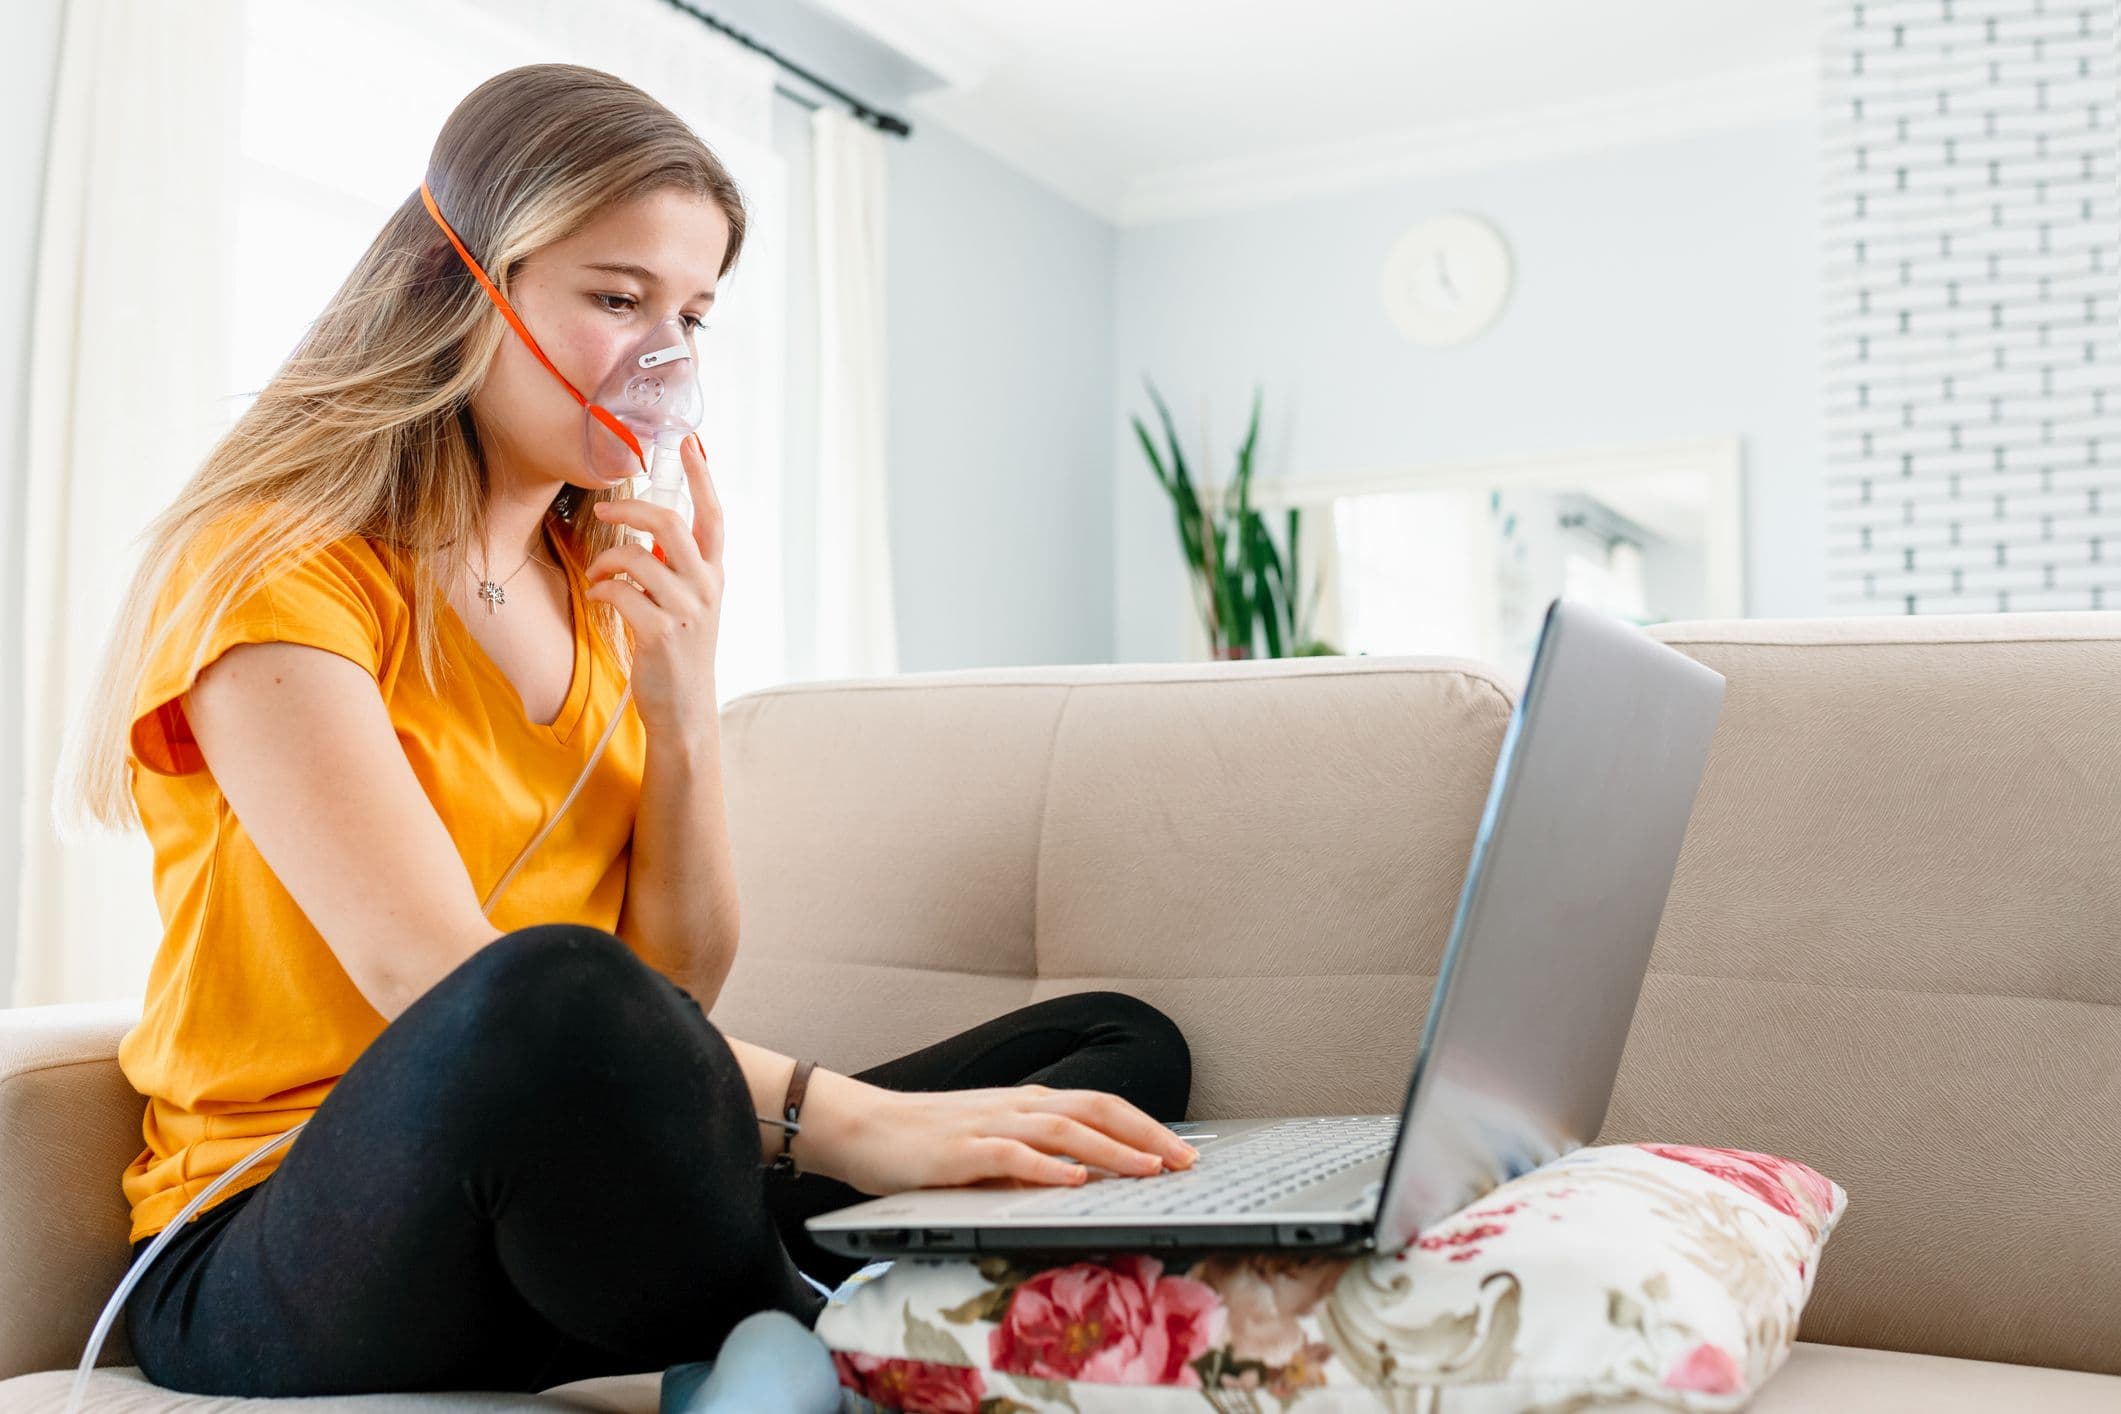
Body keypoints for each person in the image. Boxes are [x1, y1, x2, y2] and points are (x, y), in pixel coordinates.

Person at [60, 62, 1193, 1400]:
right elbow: (438, 977)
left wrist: (681, 697)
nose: (664, 358)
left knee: (1112, 1046)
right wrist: (864, 1125)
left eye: (693, 314)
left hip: (552, 1201)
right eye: (615, 299)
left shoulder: (592, 586)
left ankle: (777, 1318)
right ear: (459, 285)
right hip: (291, 1238)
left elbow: (675, 982)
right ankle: (836, 1334)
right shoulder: (277, 575)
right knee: (548, 988)